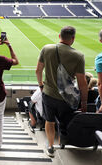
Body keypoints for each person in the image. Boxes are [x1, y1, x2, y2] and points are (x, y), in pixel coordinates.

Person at [36, 26, 88, 157]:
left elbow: (38, 71)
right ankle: (62, 144)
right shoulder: (78, 56)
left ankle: (50, 146)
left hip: (48, 94)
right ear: (73, 39)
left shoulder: (46, 49)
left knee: (50, 121)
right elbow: (82, 83)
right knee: (64, 122)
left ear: (59, 36)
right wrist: (84, 103)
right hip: (67, 97)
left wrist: (41, 86)